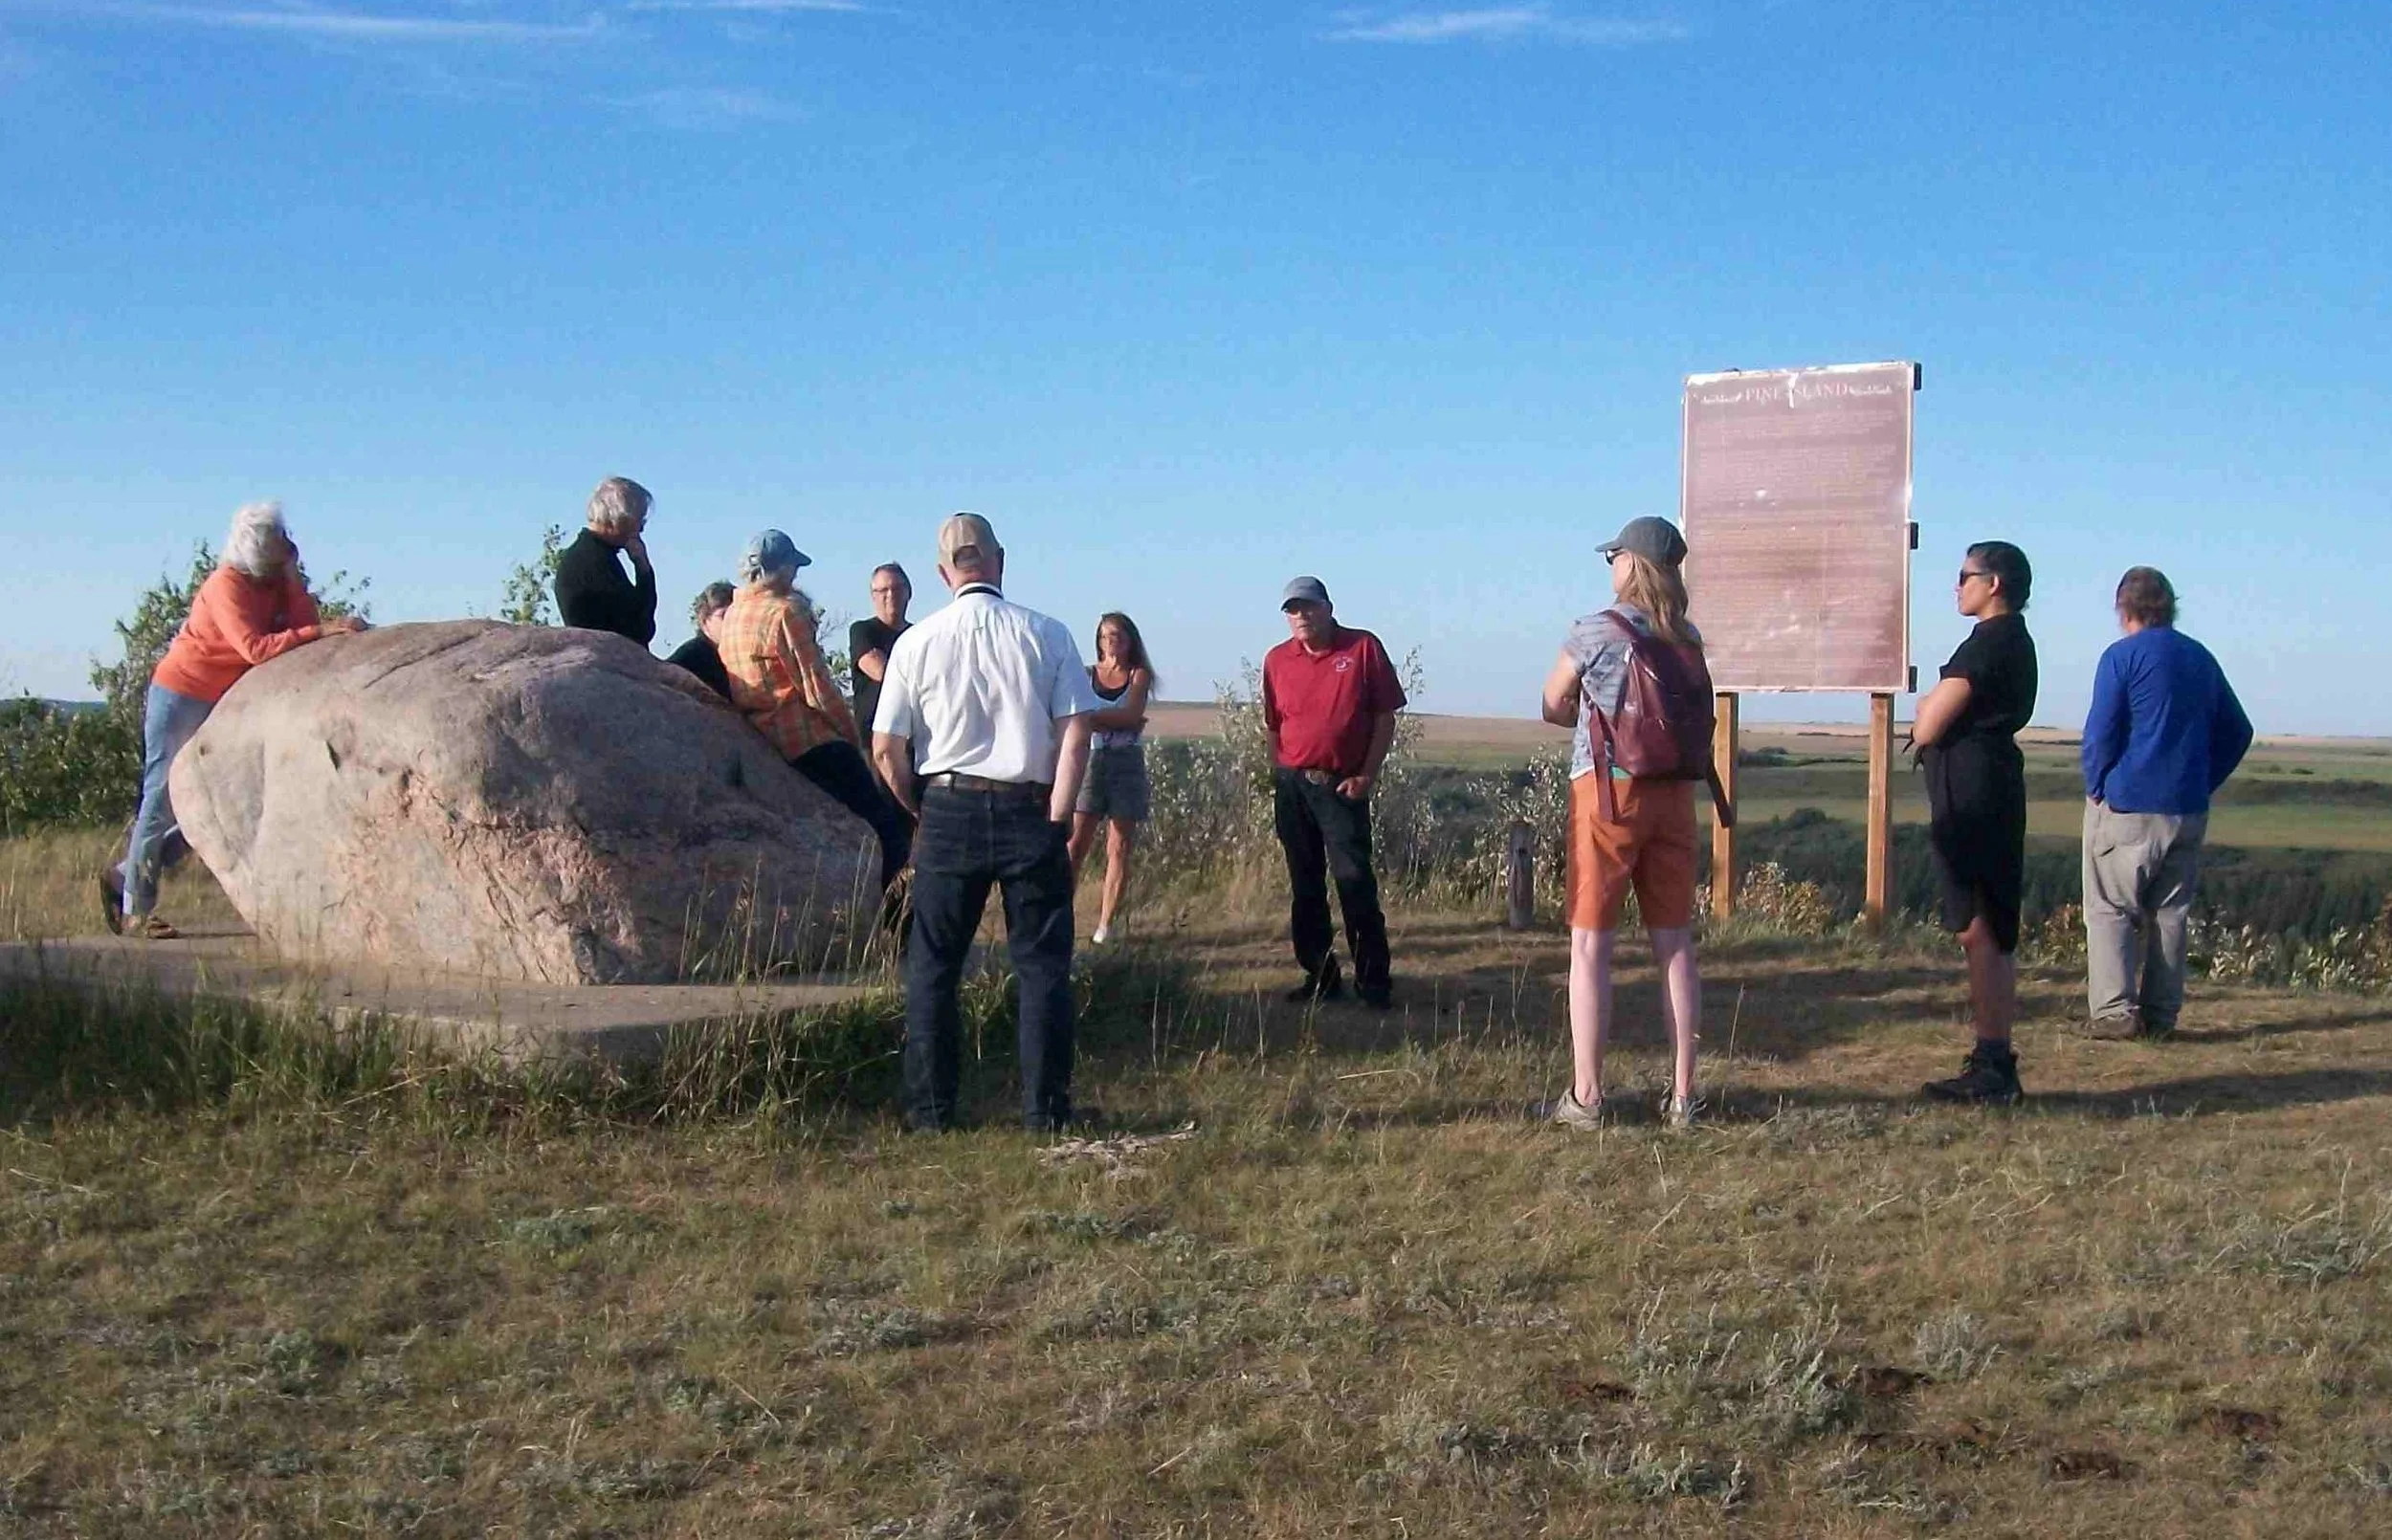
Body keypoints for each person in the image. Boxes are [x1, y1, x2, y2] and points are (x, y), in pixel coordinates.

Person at [870, 513, 1097, 1133]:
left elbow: (887, 745)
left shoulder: (915, 643)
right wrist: (1061, 814)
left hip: (947, 805)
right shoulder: (1047, 634)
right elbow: (1076, 732)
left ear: (943, 572)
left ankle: (931, 1114)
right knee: (1042, 967)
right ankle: (1045, 1113)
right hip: (1031, 806)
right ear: (1000, 560)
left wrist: (920, 808)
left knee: (934, 967)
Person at [103, 501, 365, 937]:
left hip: (228, 700)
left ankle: (122, 875)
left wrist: (293, 582)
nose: (290, 545)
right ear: (260, 551)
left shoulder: (275, 582)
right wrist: (320, 632)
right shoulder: (226, 585)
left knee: (214, 807)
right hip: (182, 694)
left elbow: (305, 625)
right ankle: (135, 910)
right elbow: (255, 648)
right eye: (280, 542)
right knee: (162, 797)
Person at [1537, 516, 1708, 1130]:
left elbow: (1553, 701)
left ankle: (1587, 1097)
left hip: (1608, 792)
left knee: (1590, 944)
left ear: (1632, 563)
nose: (1610, 564)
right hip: (1676, 794)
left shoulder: (1597, 630)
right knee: (1674, 941)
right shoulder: (1686, 636)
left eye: (1614, 554)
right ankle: (1685, 1095)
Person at [2077, 566, 2253, 1039]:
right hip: (2187, 807)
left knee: (2112, 908)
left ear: (2124, 608)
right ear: (2170, 606)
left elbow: (2099, 734)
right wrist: (2203, 780)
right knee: (2170, 914)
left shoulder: (2121, 658)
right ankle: (2160, 1015)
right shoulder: (2200, 658)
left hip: (2128, 804)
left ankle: (2114, 1012)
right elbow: (2239, 731)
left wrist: (2097, 785)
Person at [1912, 540, 2038, 1105]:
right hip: (1988, 787)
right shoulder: (2010, 641)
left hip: (1975, 795)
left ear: (1995, 583)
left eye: (1965, 576)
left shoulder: (1993, 640)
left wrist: (1923, 716)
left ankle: (1992, 1064)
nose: (1957, 585)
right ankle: (1994, 1059)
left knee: (1979, 924)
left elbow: (1931, 722)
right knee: (1988, 924)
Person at [719, 531, 911, 890]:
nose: (795, 576)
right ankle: (901, 928)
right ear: (781, 570)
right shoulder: (785, 613)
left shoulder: (733, 615)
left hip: (758, 734)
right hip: (804, 737)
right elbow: (817, 689)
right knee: (888, 830)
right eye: (792, 568)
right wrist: (851, 738)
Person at [1262, 576, 1406, 1010]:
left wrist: (1367, 775)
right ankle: (1320, 977)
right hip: (1294, 786)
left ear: (1327, 607)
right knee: (1305, 885)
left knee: (1354, 882)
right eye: (1292, 610)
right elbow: (1273, 724)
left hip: (1341, 784)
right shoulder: (1276, 660)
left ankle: (1373, 983)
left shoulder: (1361, 647)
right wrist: (1279, 771)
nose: (1300, 616)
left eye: (1307, 607)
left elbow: (1385, 717)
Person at [1067, 611, 1155, 945]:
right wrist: (1114, 721)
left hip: (1126, 764)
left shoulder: (1139, 675)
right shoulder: (1086, 675)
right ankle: (1062, 915)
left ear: (1130, 640)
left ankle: (1105, 926)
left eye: (1117, 635)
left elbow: (1131, 714)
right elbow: (1076, 716)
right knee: (1075, 845)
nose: (1111, 641)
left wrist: (1097, 719)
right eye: (1105, 636)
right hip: (1089, 762)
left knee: (1119, 845)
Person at [554, 475, 657, 647]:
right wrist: (643, 569)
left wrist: (643, 569)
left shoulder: (596, 556)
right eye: (640, 520)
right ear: (620, 518)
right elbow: (640, 628)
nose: (641, 528)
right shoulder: (592, 564)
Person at [849, 563, 913, 753]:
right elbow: (879, 671)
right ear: (873, 596)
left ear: (909, 592)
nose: (890, 595)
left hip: (911, 742)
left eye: (897, 588)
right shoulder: (862, 631)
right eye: (883, 590)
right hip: (873, 744)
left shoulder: (919, 635)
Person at [666, 582, 736, 700]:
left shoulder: (739, 655)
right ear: (704, 621)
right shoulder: (691, 655)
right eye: (724, 616)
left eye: (736, 614)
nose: (732, 621)